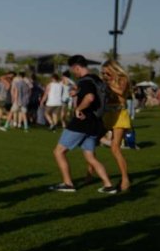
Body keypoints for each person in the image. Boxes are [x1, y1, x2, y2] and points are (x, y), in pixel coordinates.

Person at [49, 55, 117, 193]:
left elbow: (90, 97)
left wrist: (79, 108)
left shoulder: (84, 81)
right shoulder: (96, 79)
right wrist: (76, 93)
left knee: (58, 152)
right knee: (90, 157)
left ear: (76, 67)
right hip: (95, 123)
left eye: (73, 70)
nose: (73, 72)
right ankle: (108, 185)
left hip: (82, 122)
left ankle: (68, 184)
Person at [100, 59, 132, 191]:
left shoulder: (122, 79)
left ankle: (125, 179)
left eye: (107, 73)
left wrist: (108, 84)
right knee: (91, 140)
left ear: (113, 70)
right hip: (107, 114)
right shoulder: (106, 81)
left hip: (119, 114)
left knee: (115, 148)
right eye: (103, 73)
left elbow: (121, 92)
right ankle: (89, 174)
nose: (105, 75)